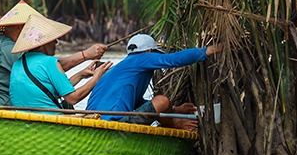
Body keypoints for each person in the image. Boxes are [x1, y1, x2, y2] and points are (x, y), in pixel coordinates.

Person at [0, 0, 106, 106]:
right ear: (19, 27)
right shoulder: (7, 47)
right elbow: (47, 68)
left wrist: (81, 74)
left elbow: (50, 80)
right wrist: (86, 55)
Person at [85, 34, 222, 130]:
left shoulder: (120, 68)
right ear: (150, 51)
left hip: (91, 121)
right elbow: (174, 59)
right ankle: (173, 125)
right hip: (113, 123)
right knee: (162, 101)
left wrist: (174, 109)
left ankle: (171, 119)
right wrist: (209, 50)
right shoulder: (143, 58)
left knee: (164, 104)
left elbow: (137, 103)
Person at [9, 13, 113, 109]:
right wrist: (96, 78)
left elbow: (57, 92)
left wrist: (81, 75)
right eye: (52, 39)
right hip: (50, 119)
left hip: (25, 119)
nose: (56, 42)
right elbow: (73, 98)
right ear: (43, 44)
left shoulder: (17, 63)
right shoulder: (49, 62)